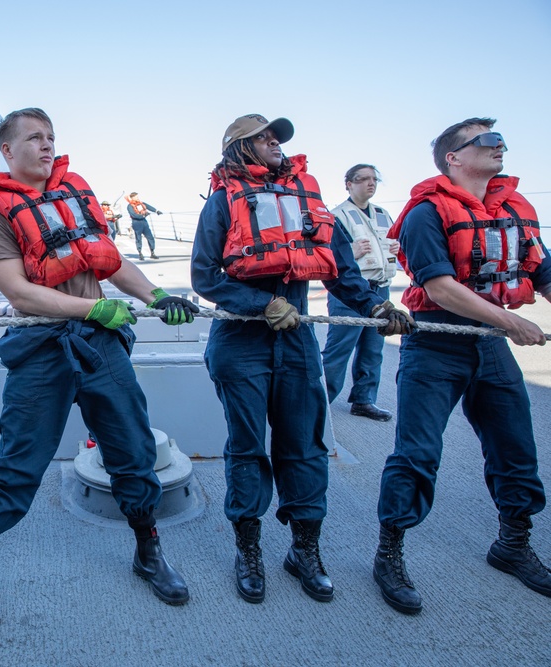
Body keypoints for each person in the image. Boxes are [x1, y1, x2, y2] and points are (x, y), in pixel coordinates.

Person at [0, 108, 198, 632]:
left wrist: (157, 294)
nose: (46, 146)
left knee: (132, 448)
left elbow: (109, 262)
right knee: (17, 461)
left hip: (99, 346)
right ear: (8, 151)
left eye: (51, 137)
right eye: (34, 138)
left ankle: (148, 549)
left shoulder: (75, 200)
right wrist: (93, 308)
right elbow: (17, 291)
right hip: (41, 348)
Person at [191, 115, 413, 605]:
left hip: (296, 342)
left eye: (278, 137)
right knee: (247, 447)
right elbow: (205, 276)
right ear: (240, 148)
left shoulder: (305, 198)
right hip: (240, 338)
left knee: (305, 446)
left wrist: (375, 305)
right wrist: (259, 304)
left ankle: (304, 550)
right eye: (265, 136)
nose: (276, 142)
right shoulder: (222, 202)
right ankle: (248, 549)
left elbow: (339, 267)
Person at [373, 118, 551, 615]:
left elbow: (543, 270)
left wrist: (505, 324)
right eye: (489, 142)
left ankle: (512, 544)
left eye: (502, 141)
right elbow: (438, 286)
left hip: (491, 344)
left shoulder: (516, 209)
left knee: (516, 448)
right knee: (417, 453)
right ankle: (389, 554)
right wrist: (510, 323)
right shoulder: (426, 213)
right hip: (435, 342)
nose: (501, 148)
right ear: (453, 157)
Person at [321, 164, 401, 422]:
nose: (371, 183)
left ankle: (364, 400)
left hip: (381, 288)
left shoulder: (383, 214)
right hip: (349, 292)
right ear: (348, 184)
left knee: (373, 348)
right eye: (363, 179)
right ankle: (321, 401)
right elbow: (325, 256)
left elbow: (390, 245)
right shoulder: (336, 216)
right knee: (339, 350)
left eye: (374, 179)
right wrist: (350, 254)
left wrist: (398, 248)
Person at [126, 191, 162, 260]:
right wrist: (143, 215)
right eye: (136, 196)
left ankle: (152, 252)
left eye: (137, 196)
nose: (137, 197)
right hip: (136, 223)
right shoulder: (130, 206)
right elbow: (133, 215)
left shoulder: (141, 203)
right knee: (138, 238)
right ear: (132, 198)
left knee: (150, 237)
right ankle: (140, 253)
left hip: (144, 222)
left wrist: (156, 211)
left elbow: (148, 206)